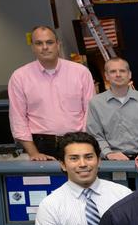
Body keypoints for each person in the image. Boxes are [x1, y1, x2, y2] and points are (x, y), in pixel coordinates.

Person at [8, 25, 95, 160]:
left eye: (49, 42)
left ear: (58, 44)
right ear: (32, 47)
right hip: (40, 146)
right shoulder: (19, 77)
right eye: (39, 43)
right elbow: (18, 118)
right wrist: (33, 153)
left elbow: (90, 113)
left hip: (77, 142)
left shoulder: (80, 72)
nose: (45, 47)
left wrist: (83, 144)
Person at [88, 56, 138, 160]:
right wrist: (108, 153)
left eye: (122, 71)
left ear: (129, 74)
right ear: (106, 75)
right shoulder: (96, 103)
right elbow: (95, 136)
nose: (118, 74)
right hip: (111, 162)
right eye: (112, 71)